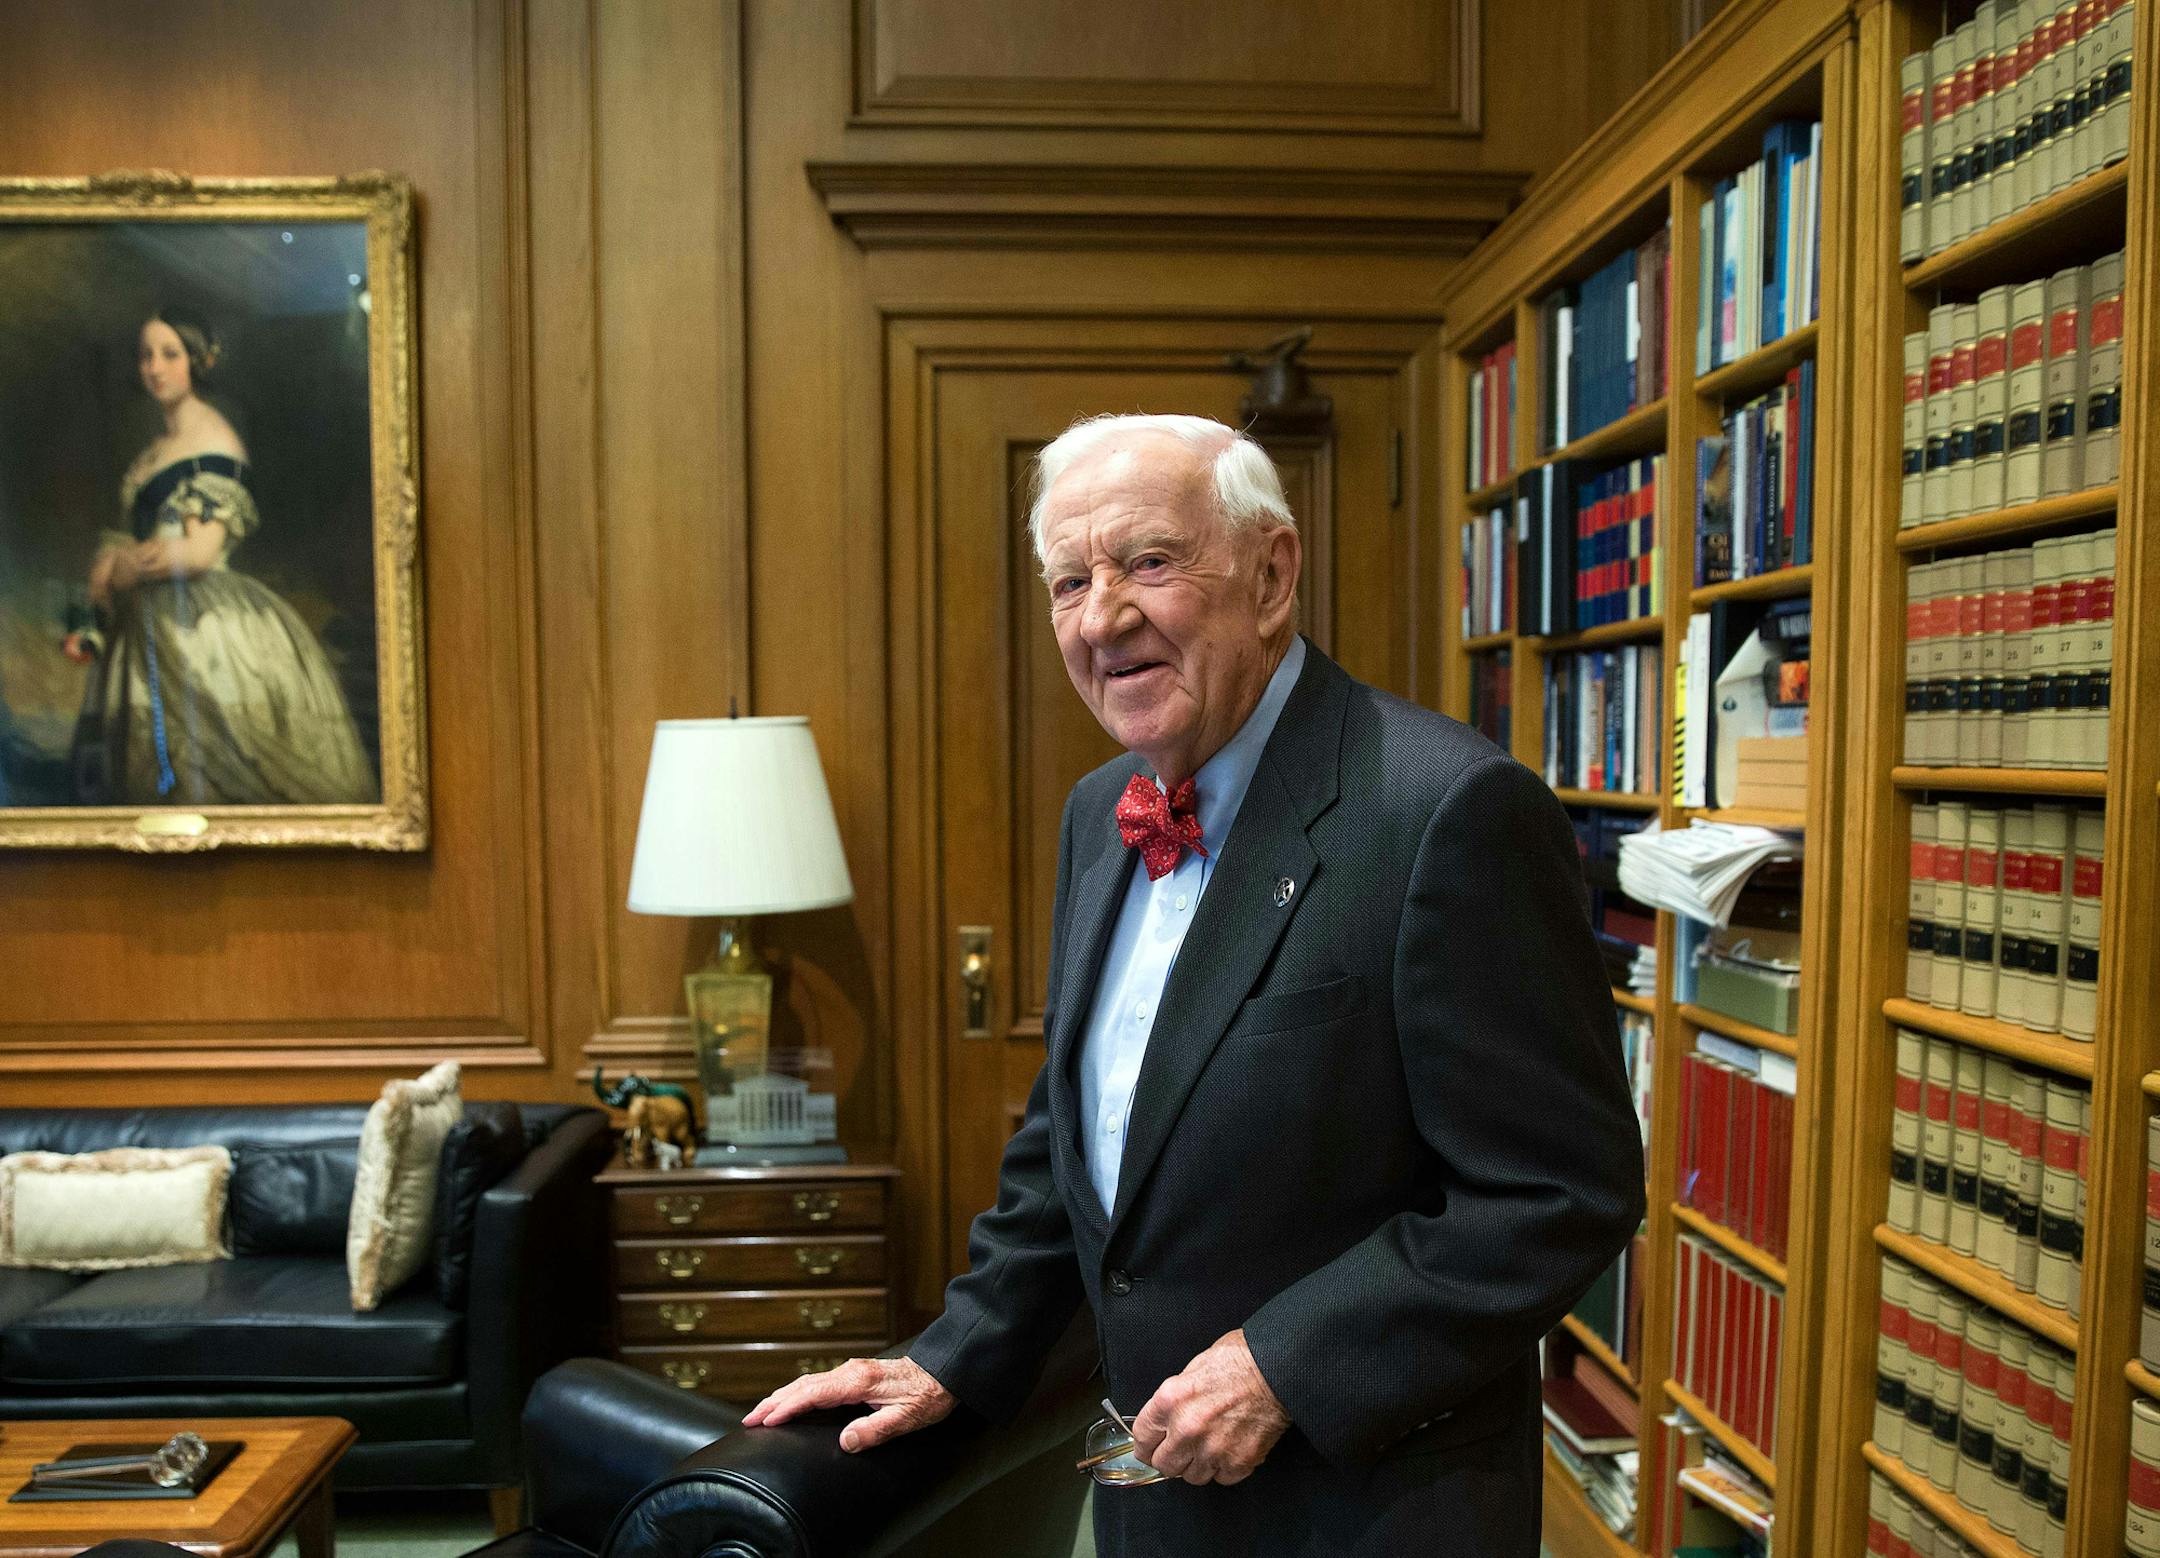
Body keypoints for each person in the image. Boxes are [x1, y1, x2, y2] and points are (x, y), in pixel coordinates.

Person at [744, 413, 1646, 1554]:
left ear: (1273, 575)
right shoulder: (1096, 815)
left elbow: (1563, 1189)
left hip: (1370, 1508)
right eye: (1070, 581)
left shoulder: (1446, 812)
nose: (1103, 616)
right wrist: (951, 1359)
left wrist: (1283, 1367)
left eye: (1149, 563)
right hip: (1149, 1501)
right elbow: (1078, 1143)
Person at [67, 308, 375, 806]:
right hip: (148, 618)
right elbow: (146, 532)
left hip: (205, 623)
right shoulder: (158, 446)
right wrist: (110, 561)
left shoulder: (212, 439)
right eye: (146, 356)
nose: (155, 368)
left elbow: (200, 552)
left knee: (213, 765)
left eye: (170, 355)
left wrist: (127, 566)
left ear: (198, 362)